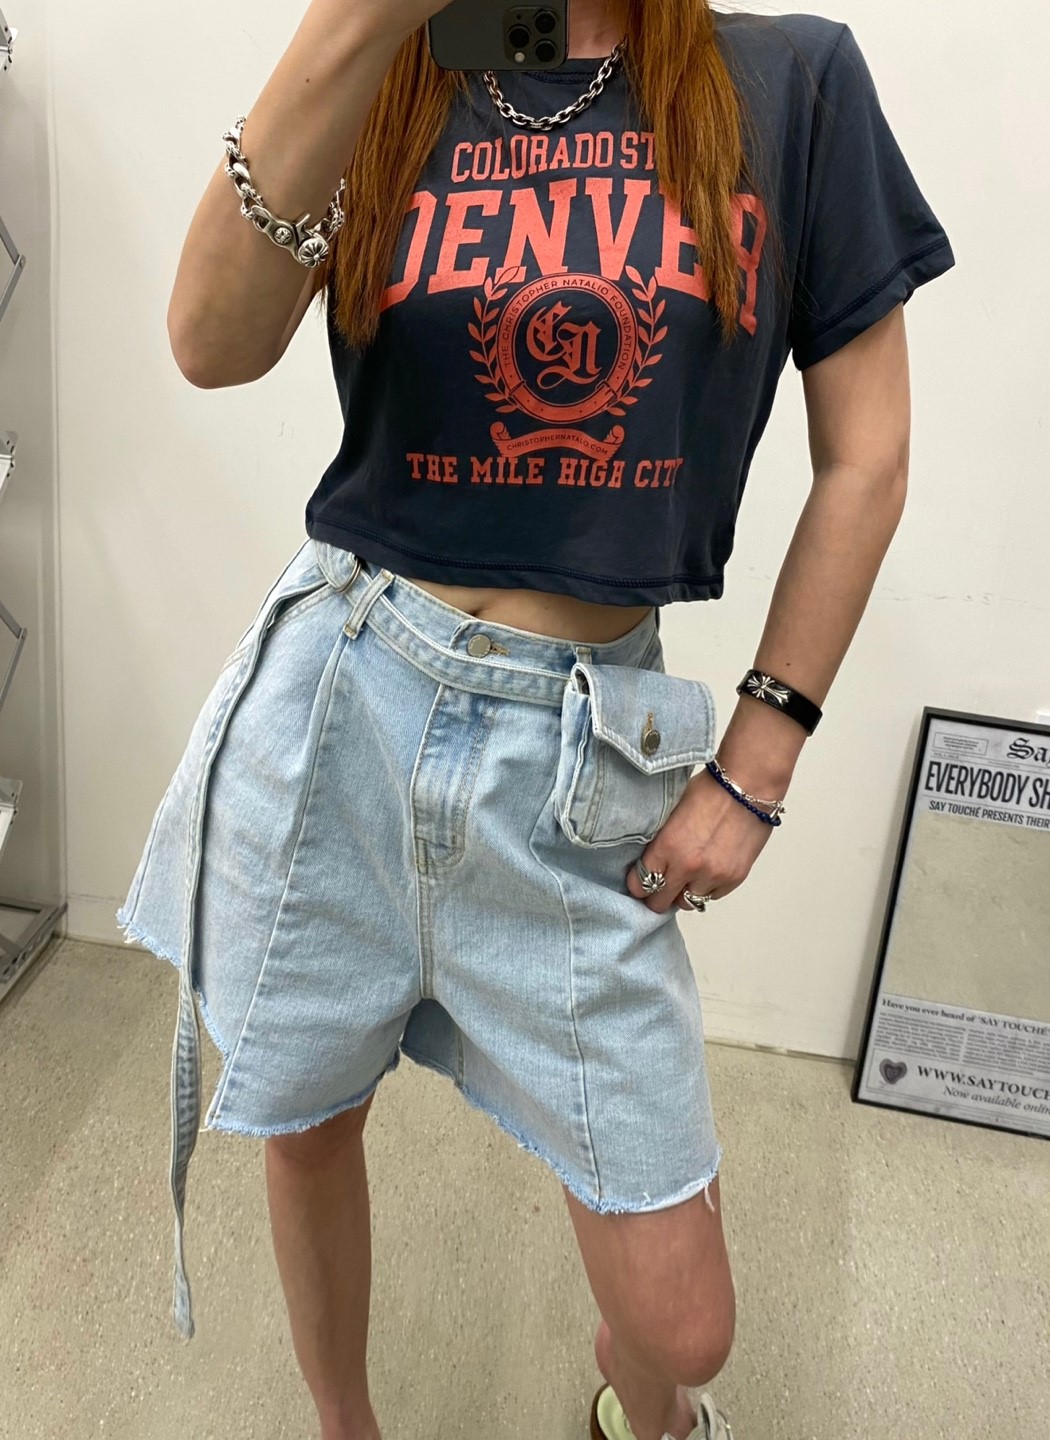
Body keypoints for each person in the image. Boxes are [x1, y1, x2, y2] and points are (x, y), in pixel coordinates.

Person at [115, 2, 955, 1437]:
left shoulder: (787, 81)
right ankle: (344, 1425)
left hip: (582, 751)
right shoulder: (387, 74)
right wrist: (358, 25)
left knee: (682, 1321)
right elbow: (209, 342)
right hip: (342, 702)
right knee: (306, 1120)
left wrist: (758, 758)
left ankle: (646, 1402)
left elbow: (865, 457)